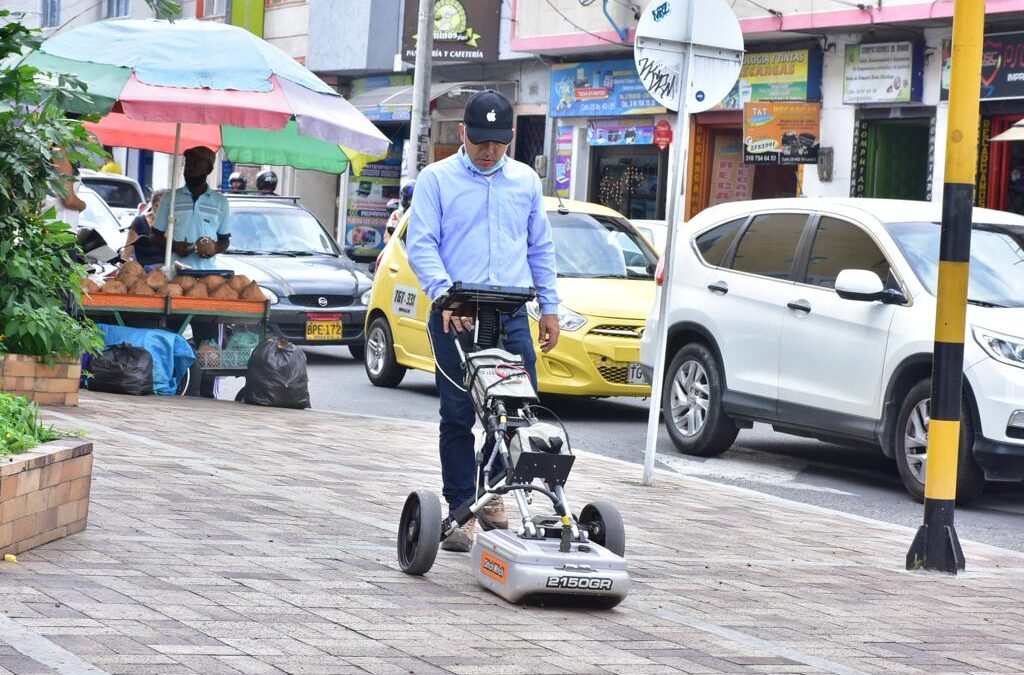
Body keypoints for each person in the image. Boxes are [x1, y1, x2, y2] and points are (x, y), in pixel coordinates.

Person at [407, 89, 561, 553]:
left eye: (497, 141)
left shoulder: (525, 181)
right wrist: (444, 295)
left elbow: (539, 247)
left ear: (510, 136)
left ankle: (493, 497)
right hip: (457, 313)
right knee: (457, 415)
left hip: (511, 313)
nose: (488, 150)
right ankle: (459, 510)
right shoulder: (437, 179)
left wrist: (549, 307)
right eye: (479, 141)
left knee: (517, 412)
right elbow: (422, 245)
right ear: (462, 134)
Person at [151, 145, 231, 399]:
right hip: (176, 278)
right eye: (188, 164)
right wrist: (176, 247)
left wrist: (214, 248)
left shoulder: (220, 203)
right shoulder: (171, 199)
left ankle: (206, 391)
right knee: (172, 332)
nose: (190, 169)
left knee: (207, 338)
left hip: (207, 281)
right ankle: (168, 383)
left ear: (208, 168)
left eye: (196, 164)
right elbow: (155, 237)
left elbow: (225, 239)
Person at [43, 146, 87, 228]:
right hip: (60, 223)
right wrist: (83, 205)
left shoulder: (40, 149)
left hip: (44, 224)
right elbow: (69, 201)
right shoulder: (57, 152)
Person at [124, 189, 167, 270]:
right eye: (157, 206)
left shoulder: (172, 225)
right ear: (152, 205)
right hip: (142, 271)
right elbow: (126, 253)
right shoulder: (139, 222)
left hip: (165, 271)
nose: (159, 211)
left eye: (164, 207)